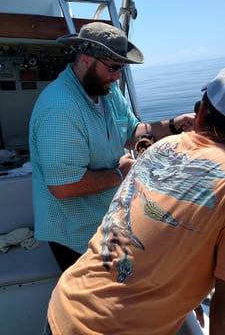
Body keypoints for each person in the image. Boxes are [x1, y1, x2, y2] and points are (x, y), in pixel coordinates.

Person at [46, 67, 225, 335]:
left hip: (67, 303)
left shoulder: (161, 147)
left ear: (200, 113)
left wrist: (188, 290)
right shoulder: (60, 105)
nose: (116, 74)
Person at [29, 22, 194, 271]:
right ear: (86, 59)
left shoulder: (106, 89)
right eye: (113, 67)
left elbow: (129, 132)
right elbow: (63, 187)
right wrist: (120, 173)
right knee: (94, 304)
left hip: (107, 220)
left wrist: (173, 124)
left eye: (121, 68)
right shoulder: (60, 110)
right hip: (75, 235)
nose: (117, 75)